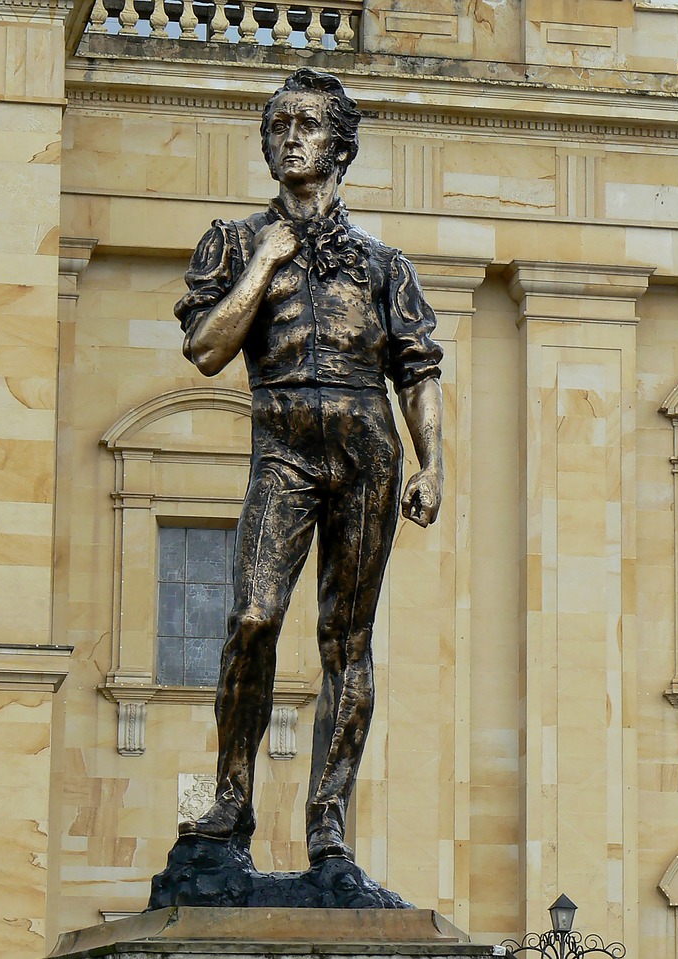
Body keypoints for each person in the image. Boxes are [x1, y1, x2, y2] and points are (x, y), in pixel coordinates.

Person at [173, 68, 444, 865]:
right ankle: (230, 801)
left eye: (309, 125)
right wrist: (264, 264)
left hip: (368, 451)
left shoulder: (383, 264)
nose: (292, 137)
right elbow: (206, 349)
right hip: (283, 444)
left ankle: (328, 818)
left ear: (341, 146)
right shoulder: (233, 241)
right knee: (253, 617)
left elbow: (418, 369)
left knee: (345, 640)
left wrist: (433, 464)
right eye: (280, 125)